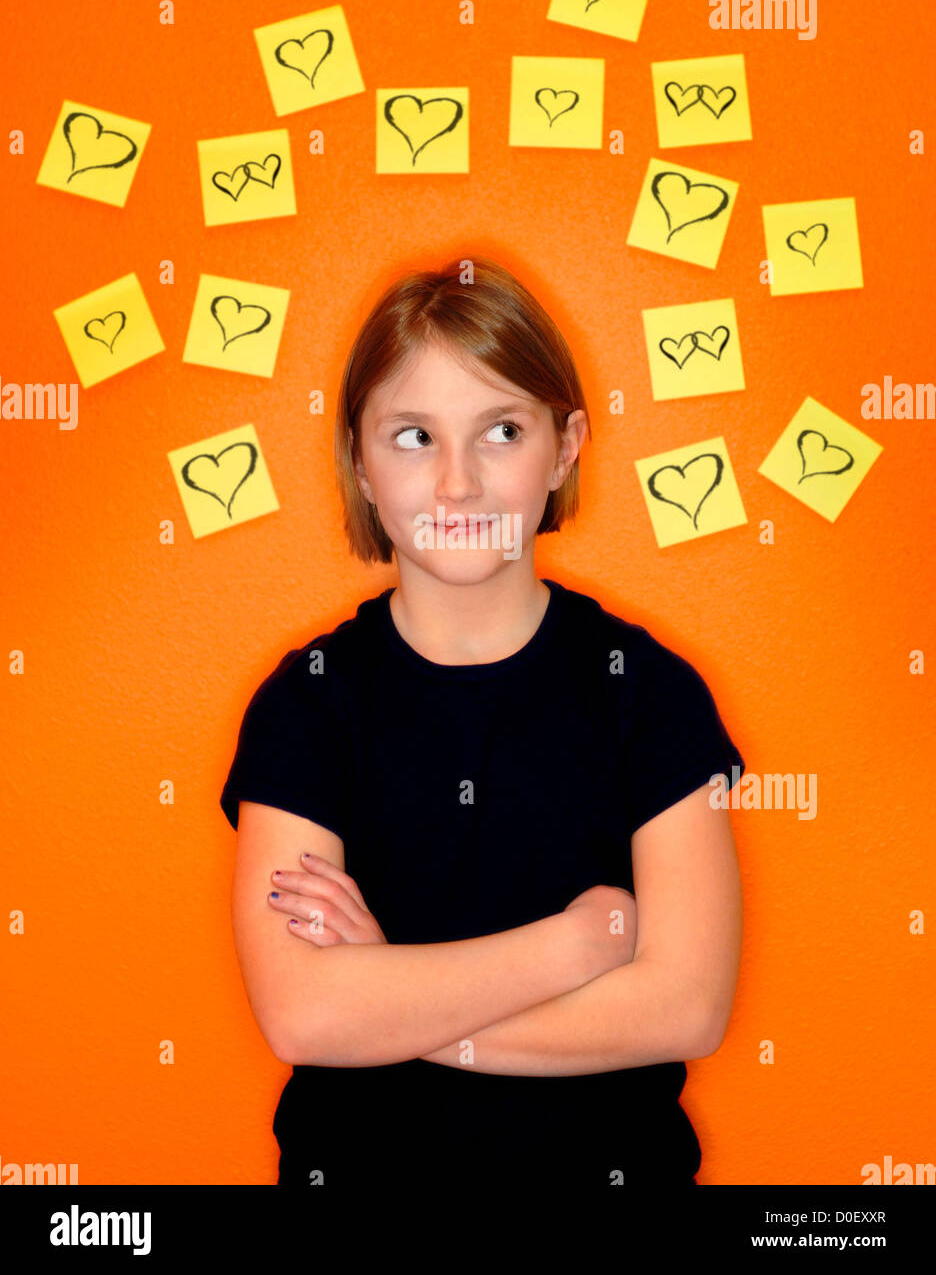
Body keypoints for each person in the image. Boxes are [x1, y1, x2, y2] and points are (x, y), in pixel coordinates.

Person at [219, 254, 745, 1194]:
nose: (457, 485)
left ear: (566, 444)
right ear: (359, 463)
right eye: (414, 436)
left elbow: (687, 1008)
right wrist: (574, 949)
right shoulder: (310, 703)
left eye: (501, 430)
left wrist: (391, 994)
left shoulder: (649, 693)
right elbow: (304, 1016)